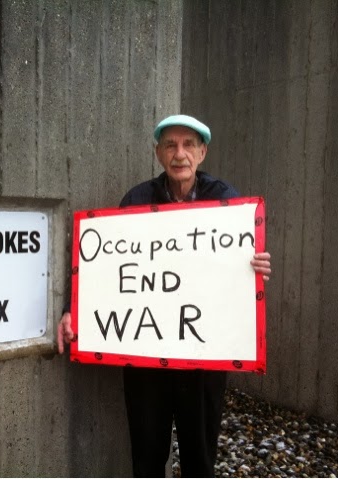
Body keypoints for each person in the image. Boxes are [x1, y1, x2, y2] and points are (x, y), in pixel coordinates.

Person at [58, 114, 272, 477]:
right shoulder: (137, 199)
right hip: (146, 354)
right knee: (146, 458)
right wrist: (72, 310)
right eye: (170, 145)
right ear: (158, 153)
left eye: (188, 145)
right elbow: (104, 265)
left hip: (204, 357)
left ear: (202, 153)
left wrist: (256, 267)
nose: (179, 153)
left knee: (199, 459)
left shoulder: (227, 201)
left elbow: (240, 266)